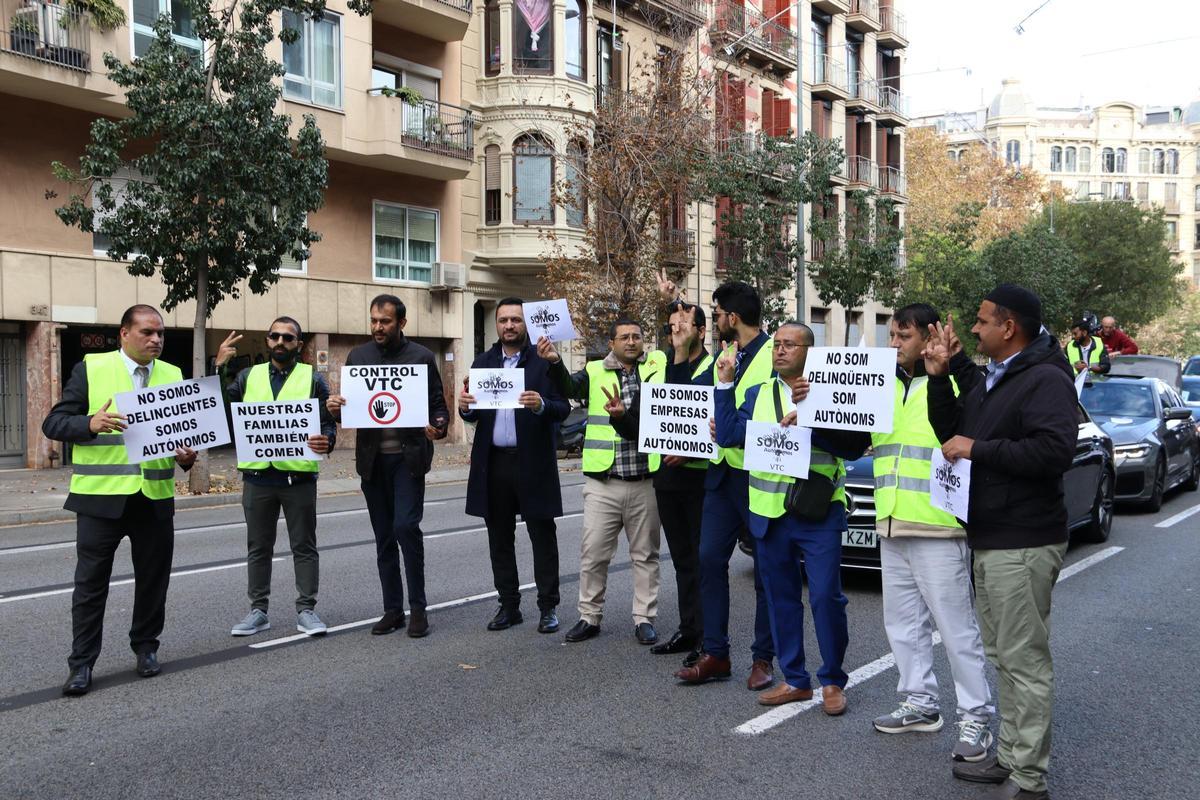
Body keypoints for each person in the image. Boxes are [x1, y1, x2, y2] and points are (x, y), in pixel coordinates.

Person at [925, 285, 1078, 800]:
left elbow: (1054, 451)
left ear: (1008, 326)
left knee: (1024, 659)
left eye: (982, 321)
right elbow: (949, 425)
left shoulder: (1046, 378)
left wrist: (979, 449)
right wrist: (940, 375)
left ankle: (1029, 780)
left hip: (1024, 539)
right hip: (993, 537)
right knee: (1004, 655)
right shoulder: (998, 376)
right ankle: (1011, 757)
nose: (973, 328)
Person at [42, 304, 198, 696]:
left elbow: (179, 440)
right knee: (90, 587)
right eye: (147, 332)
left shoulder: (173, 375)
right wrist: (89, 424)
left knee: (153, 582)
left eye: (160, 333)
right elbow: (54, 423)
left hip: (154, 498)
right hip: (100, 501)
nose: (156, 339)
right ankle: (81, 664)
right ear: (124, 335)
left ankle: (146, 648)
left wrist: (186, 457)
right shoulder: (91, 368)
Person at [870, 304, 995, 762]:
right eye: (891, 336)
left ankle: (976, 716)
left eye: (903, 336)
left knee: (956, 629)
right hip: (892, 521)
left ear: (928, 338)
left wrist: (952, 366)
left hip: (939, 527)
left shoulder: (955, 379)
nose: (894, 344)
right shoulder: (883, 386)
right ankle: (919, 703)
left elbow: (980, 411)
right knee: (902, 624)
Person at [713, 323, 856, 714]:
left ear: (810, 352)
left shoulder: (829, 395)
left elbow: (854, 445)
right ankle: (795, 679)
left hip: (817, 512)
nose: (779, 351)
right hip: (769, 515)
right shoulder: (758, 394)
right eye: (776, 345)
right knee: (781, 600)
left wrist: (812, 416)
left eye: (789, 345)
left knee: (826, 597)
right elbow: (726, 435)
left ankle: (832, 681)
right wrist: (725, 384)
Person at [669, 281, 778, 691]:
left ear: (732, 317)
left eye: (716, 314)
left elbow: (744, 418)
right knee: (710, 561)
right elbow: (690, 400)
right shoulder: (726, 355)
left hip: (759, 477)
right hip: (721, 478)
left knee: (767, 571)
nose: (714, 321)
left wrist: (728, 418)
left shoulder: (773, 355)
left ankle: (763, 658)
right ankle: (716, 653)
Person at [327, 294, 450, 638]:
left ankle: (419, 610)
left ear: (401, 323)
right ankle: (392, 609)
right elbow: (347, 408)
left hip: (407, 460)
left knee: (405, 527)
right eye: (374, 321)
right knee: (383, 537)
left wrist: (438, 426)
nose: (378, 327)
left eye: (385, 321)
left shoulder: (422, 357)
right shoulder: (359, 356)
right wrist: (335, 408)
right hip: (372, 463)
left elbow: (438, 406)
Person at [538, 318, 665, 645]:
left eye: (637, 336)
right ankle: (589, 616)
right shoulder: (594, 371)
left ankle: (644, 618)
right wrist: (554, 361)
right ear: (612, 343)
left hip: (644, 479)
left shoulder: (652, 370)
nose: (632, 342)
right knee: (593, 554)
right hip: (603, 483)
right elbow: (568, 387)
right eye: (624, 337)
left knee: (646, 555)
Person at [215, 317, 336, 638]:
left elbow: (328, 420)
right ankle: (258, 611)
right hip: (257, 477)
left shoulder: (313, 379)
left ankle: (307, 610)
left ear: (298, 343)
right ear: (267, 341)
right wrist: (219, 368)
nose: (280, 341)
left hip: (298, 478)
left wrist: (328, 441)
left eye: (288, 337)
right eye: (274, 336)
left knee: (304, 546)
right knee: (258, 547)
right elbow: (220, 407)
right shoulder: (246, 376)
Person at [458, 298, 570, 634]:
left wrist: (541, 405)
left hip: (532, 461)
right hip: (494, 463)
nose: (509, 325)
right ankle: (508, 605)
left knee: (542, 536)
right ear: (497, 324)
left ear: (526, 325)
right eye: (504, 320)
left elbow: (563, 408)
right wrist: (465, 407)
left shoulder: (542, 360)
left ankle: (548, 607)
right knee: (499, 538)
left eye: (516, 320)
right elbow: (475, 413)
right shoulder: (484, 362)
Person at [647, 300, 713, 664]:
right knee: (683, 561)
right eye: (672, 327)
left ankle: (708, 637)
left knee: (703, 560)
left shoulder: (712, 365)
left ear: (702, 331)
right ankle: (690, 629)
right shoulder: (665, 364)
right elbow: (664, 408)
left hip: (700, 479)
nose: (677, 332)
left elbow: (686, 400)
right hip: (668, 478)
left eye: (684, 326)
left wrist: (682, 352)